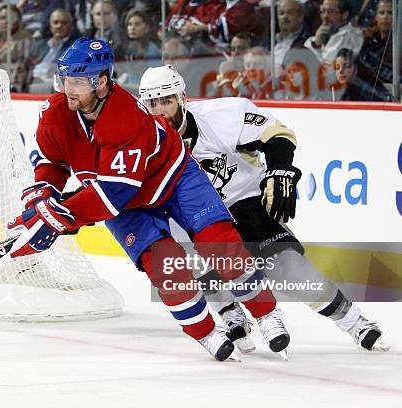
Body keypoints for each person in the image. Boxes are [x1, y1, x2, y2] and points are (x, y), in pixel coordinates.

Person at [8, 37, 290, 361]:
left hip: (174, 177)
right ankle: (208, 333)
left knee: (220, 243)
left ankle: (267, 314)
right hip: (127, 205)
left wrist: (62, 216)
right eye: (65, 79)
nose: (68, 89)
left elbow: (114, 194)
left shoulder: (123, 116)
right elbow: (51, 162)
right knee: (166, 266)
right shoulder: (55, 114)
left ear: (100, 82)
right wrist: (44, 198)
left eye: (77, 81)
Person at [137, 64, 389, 352]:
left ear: (182, 98)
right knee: (178, 247)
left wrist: (280, 170)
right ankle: (230, 312)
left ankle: (355, 322)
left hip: (244, 201)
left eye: (166, 101)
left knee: (290, 269)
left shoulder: (221, 116)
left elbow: (276, 134)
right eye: (152, 103)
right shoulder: (139, 139)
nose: (159, 111)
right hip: (194, 215)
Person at [304, 0, 364, 65]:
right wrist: (316, 44)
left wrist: (317, 47)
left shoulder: (353, 36)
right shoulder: (322, 33)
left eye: (330, 12)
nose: (325, 16)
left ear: (345, 15)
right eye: (323, 11)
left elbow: (330, 68)